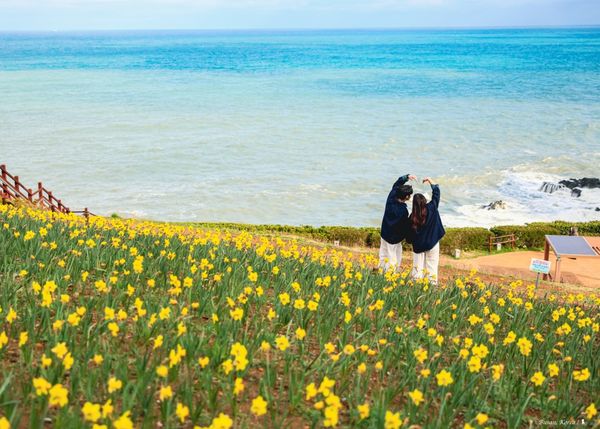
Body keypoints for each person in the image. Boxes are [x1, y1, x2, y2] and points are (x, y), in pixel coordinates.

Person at [408, 177, 445, 282]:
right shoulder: (431, 208)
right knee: (432, 267)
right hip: (432, 243)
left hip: (419, 246)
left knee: (417, 269)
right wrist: (430, 181)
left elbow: (409, 236)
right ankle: (431, 287)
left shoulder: (412, 217)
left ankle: (415, 287)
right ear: (425, 201)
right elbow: (436, 193)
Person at [379, 173, 415, 272]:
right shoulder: (403, 211)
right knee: (393, 256)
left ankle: (381, 269)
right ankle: (391, 274)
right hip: (393, 238)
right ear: (407, 197)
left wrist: (406, 177)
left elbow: (396, 185)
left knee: (383, 253)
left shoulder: (391, 198)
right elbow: (404, 227)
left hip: (384, 232)